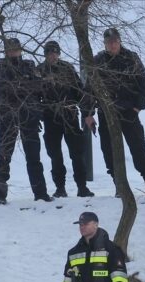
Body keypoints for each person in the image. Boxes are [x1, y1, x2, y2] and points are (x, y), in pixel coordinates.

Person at [83, 27, 145, 200]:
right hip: (107, 113)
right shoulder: (98, 61)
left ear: (119, 41)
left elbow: (144, 85)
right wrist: (88, 114)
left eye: (115, 41)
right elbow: (89, 90)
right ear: (105, 44)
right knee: (109, 152)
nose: (112, 45)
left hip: (129, 111)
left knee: (138, 149)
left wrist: (138, 107)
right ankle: (119, 187)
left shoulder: (131, 58)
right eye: (109, 42)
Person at [0, 37, 51, 204]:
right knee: (4, 156)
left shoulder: (29, 65)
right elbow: (3, 89)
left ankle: (40, 193)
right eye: (11, 50)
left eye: (16, 49)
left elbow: (38, 87)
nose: (14, 52)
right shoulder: (1, 66)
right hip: (7, 117)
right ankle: (0, 194)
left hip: (29, 116)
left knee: (34, 157)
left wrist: (20, 86)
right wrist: (23, 85)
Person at [39, 40, 93, 199]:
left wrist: (86, 112)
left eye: (55, 52)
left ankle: (82, 187)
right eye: (49, 53)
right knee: (55, 155)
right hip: (51, 119)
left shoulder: (67, 68)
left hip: (70, 116)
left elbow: (78, 92)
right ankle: (60, 188)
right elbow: (34, 97)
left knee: (77, 154)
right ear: (45, 54)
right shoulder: (39, 71)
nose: (53, 55)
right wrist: (42, 112)